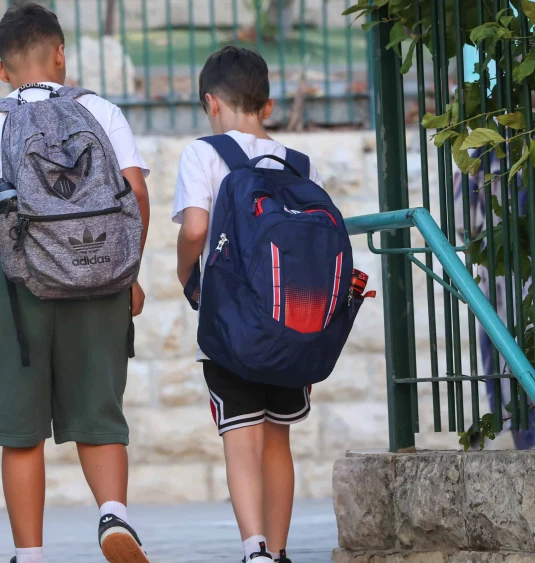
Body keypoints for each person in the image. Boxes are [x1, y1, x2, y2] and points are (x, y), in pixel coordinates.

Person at [0, 4, 151, 562]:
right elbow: (136, 192)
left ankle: (30, 554)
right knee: (99, 415)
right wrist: (126, 274)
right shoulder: (100, 110)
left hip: (21, 287)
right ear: (61, 54)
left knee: (21, 428)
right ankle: (114, 515)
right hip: (102, 283)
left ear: (3, 70)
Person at [174, 46, 324, 563]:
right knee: (278, 439)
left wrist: (184, 272)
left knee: (242, 438)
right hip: (293, 323)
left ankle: (254, 550)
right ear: (267, 104)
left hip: (230, 326)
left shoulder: (203, 153)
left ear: (211, 102)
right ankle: (280, 553)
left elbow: (195, 227)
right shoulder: (299, 163)